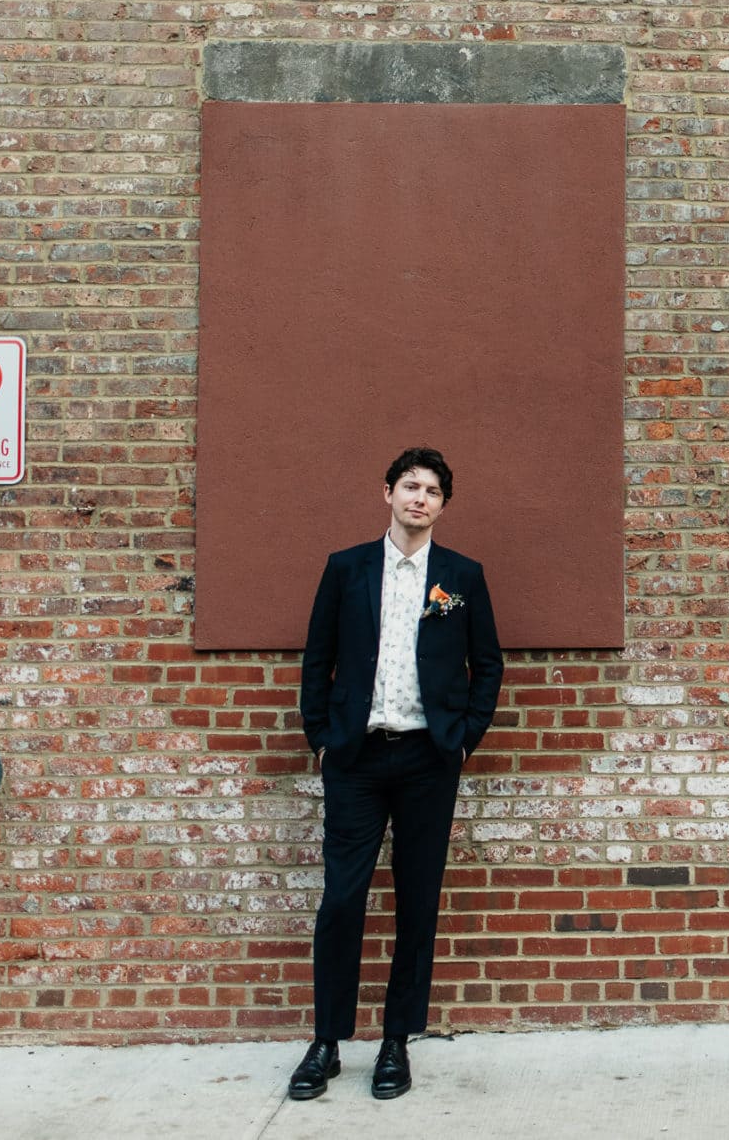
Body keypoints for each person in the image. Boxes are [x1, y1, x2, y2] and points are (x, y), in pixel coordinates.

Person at [288, 447, 504, 1102]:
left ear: (442, 504)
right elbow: (316, 658)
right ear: (387, 492)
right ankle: (326, 1041)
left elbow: (487, 665)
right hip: (355, 759)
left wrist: (461, 738)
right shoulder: (346, 568)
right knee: (342, 901)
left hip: (426, 762)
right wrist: (321, 736)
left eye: (433, 490)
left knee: (416, 904)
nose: (420, 498)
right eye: (410, 485)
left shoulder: (461, 575)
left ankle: (395, 1041)